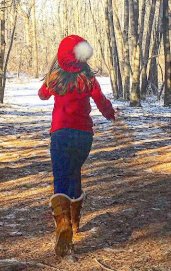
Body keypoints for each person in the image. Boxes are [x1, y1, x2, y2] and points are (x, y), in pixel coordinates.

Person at [38, 35, 116, 257]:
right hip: (84, 136)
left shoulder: (55, 79)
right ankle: (74, 222)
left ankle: (63, 225)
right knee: (74, 171)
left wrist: (49, 84)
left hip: (60, 133)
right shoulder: (89, 79)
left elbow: (42, 95)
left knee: (61, 177)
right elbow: (101, 100)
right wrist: (110, 114)